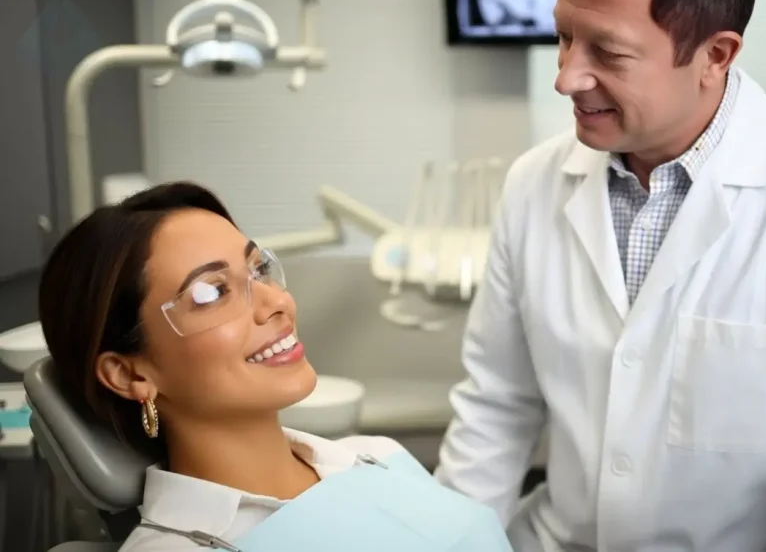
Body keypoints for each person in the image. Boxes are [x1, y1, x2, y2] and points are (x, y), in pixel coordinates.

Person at [434, 0, 766, 551]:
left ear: (715, 55)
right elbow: (495, 409)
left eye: (608, 52)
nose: (566, 78)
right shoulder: (533, 183)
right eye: (564, 37)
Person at [36, 182, 481, 551]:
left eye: (258, 269)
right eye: (212, 292)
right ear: (130, 374)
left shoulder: (378, 456)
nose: (276, 302)